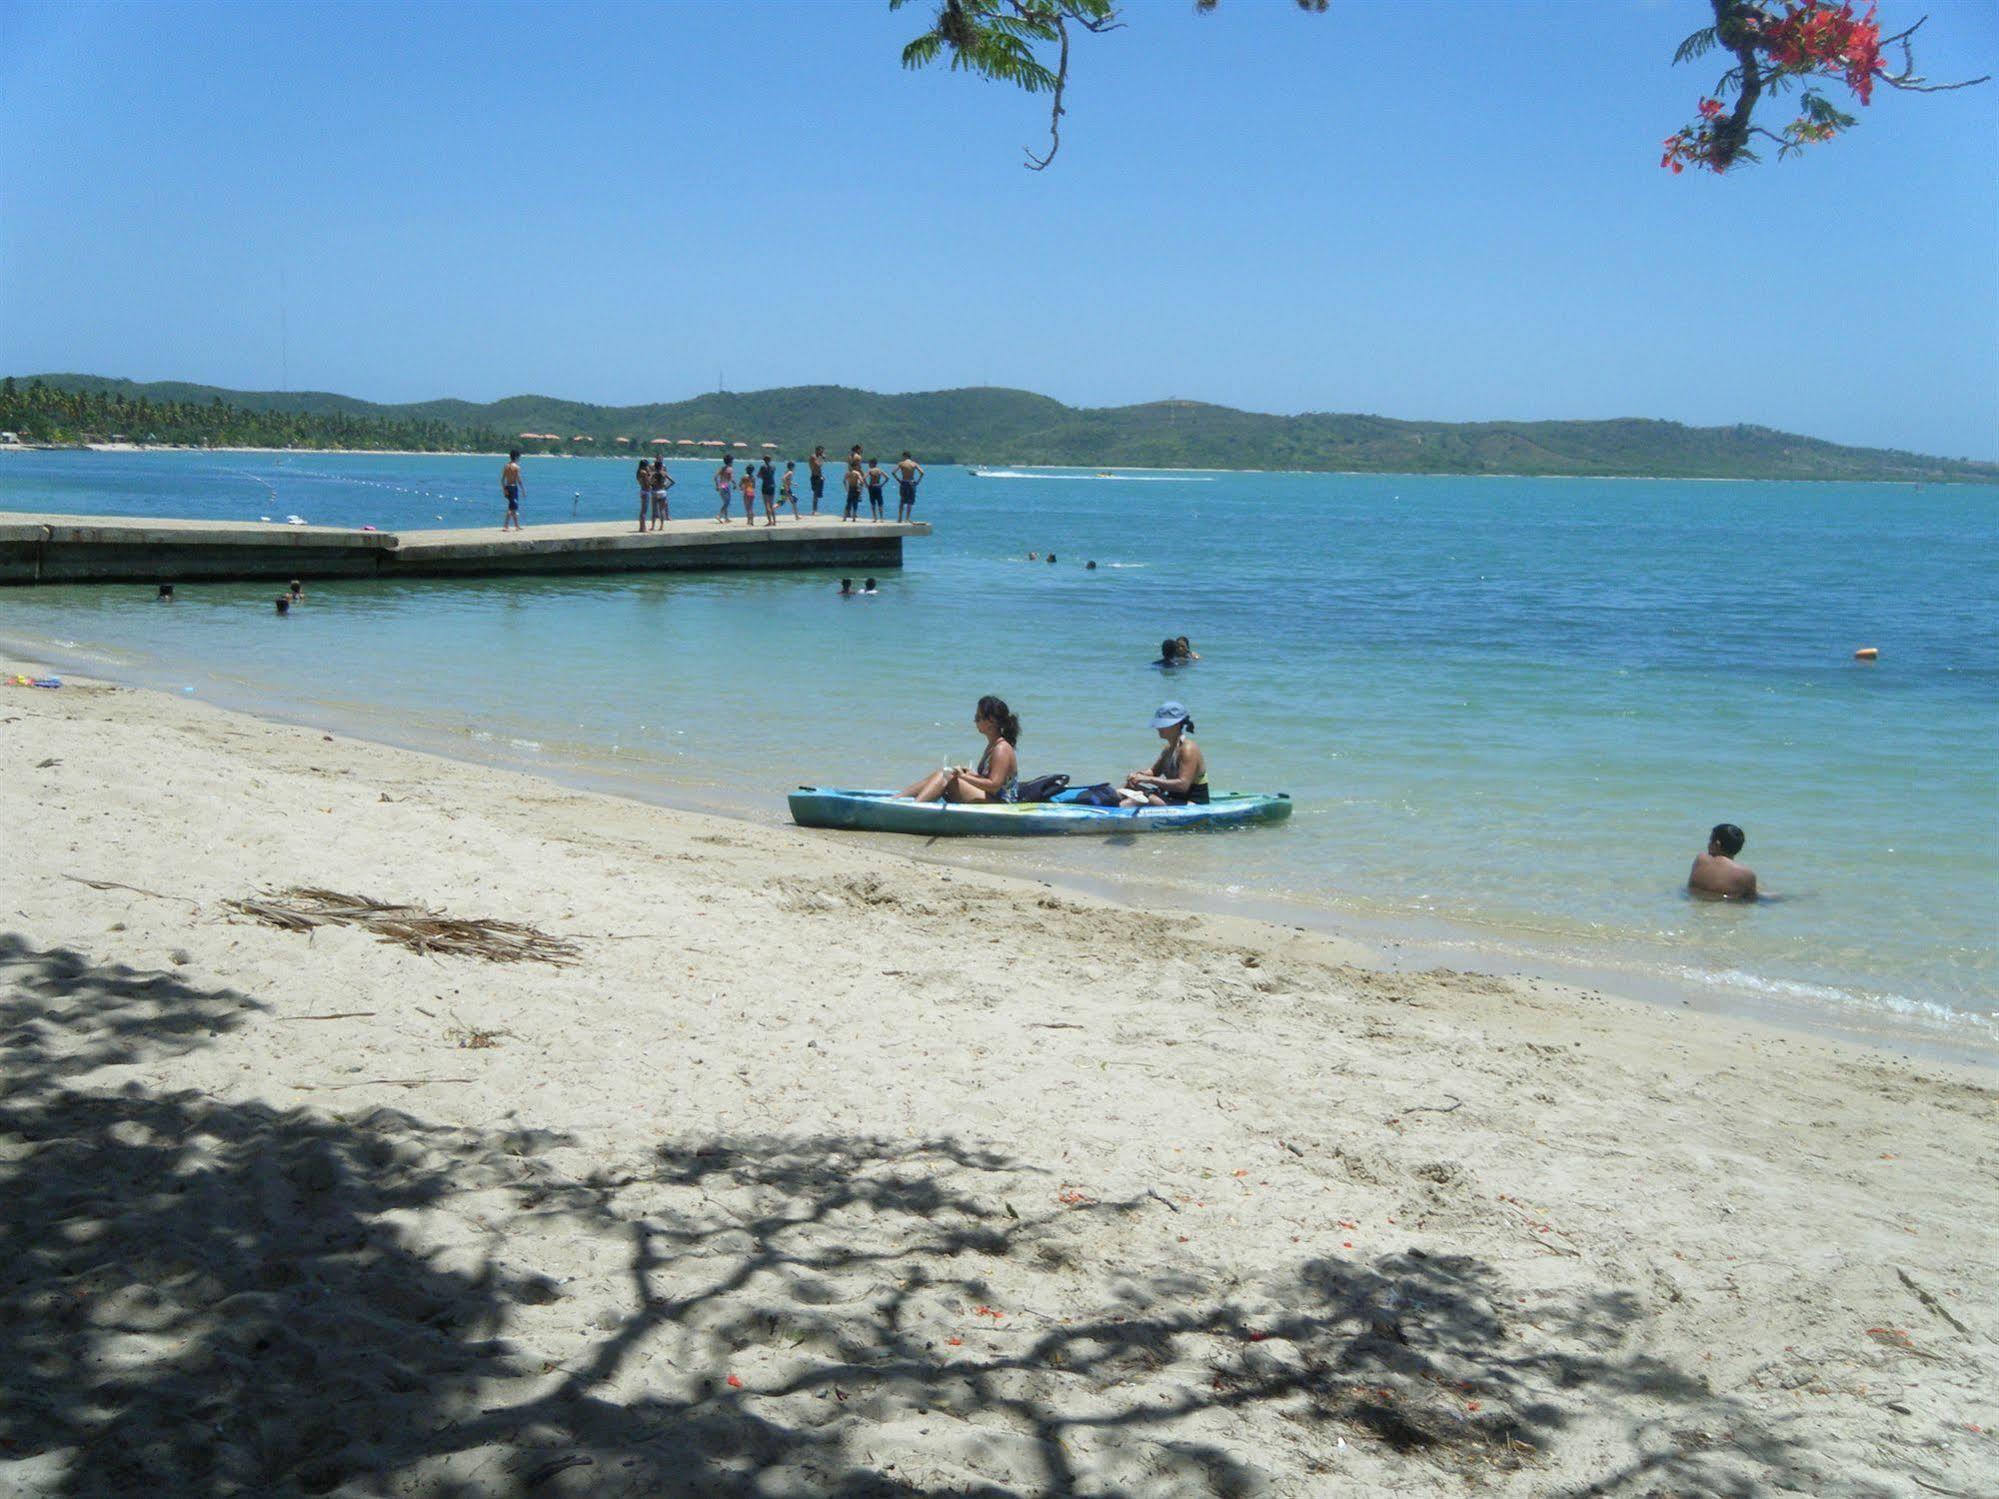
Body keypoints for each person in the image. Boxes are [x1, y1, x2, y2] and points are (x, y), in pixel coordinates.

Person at [901, 695, 1021, 804]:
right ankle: (898, 798)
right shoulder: (993, 745)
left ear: (991, 721)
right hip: (991, 798)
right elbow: (989, 781)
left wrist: (963, 777)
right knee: (944, 772)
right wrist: (970, 774)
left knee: (947, 777)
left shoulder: (1001, 748)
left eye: (978, 717)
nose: (975, 721)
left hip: (1001, 804)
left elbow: (994, 785)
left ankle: (913, 807)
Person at [1120, 701, 1208, 806]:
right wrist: (1137, 776)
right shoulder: (1168, 749)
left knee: (1135, 801)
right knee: (1129, 787)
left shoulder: (1188, 748)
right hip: (1173, 799)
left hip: (1192, 804)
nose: (1158, 727)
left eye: (1163, 724)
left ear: (1176, 724)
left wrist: (1148, 780)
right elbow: (1154, 772)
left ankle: (1114, 813)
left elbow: (1183, 785)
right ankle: (1104, 804)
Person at [1689, 823, 1758, 900]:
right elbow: (1750, 900)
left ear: (1717, 844)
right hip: (1726, 905)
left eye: (1710, 840)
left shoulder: (1700, 859)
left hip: (1696, 901)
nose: (1708, 844)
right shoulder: (1746, 875)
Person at [895, 451, 924, 521]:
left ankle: (900, 518)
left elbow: (893, 472)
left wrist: (898, 480)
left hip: (904, 482)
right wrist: (917, 482)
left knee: (902, 500)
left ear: (905, 456)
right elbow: (922, 472)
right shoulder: (914, 464)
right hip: (911, 482)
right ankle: (907, 518)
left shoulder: (901, 463)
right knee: (910, 502)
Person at [501, 449, 524, 530]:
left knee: (513, 507)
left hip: (507, 487)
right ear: (516, 457)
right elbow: (519, 480)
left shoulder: (506, 466)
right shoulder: (516, 467)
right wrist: (523, 490)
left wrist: (504, 489)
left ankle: (517, 526)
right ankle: (506, 526)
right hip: (513, 488)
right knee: (511, 508)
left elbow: (502, 480)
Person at [865, 457, 887, 522]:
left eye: (869, 463)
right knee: (880, 502)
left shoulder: (870, 470)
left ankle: (875, 518)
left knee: (873, 503)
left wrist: (867, 485)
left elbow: (864, 478)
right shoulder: (879, 470)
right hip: (878, 486)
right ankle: (882, 518)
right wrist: (882, 485)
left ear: (872, 463)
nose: (869, 465)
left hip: (872, 487)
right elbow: (887, 478)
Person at [652, 459, 675, 525]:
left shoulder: (654, 474)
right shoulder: (664, 473)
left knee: (654, 510)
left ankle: (653, 526)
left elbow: (650, 482)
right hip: (662, 491)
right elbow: (672, 481)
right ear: (661, 466)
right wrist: (666, 487)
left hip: (655, 491)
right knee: (662, 509)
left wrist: (651, 486)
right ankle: (661, 527)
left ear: (655, 466)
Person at [714, 457, 736, 522]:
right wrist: (734, 484)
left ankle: (726, 518)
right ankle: (719, 516)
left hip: (721, 486)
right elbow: (731, 478)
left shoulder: (722, 468)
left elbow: (715, 477)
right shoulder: (729, 469)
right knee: (727, 503)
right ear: (730, 462)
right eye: (732, 461)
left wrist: (717, 485)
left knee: (725, 502)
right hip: (726, 486)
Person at [636, 456, 655, 532]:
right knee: (644, 511)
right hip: (646, 491)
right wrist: (651, 479)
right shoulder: (643, 472)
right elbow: (648, 483)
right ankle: (643, 528)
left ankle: (641, 527)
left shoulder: (639, 472)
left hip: (642, 490)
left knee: (643, 511)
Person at [759, 455, 778, 526]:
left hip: (765, 485)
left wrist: (763, 476)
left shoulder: (763, 467)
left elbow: (759, 475)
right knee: (771, 504)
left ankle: (770, 521)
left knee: (766, 504)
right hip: (772, 485)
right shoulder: (773, 467)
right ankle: (775, 521)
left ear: (764, 460)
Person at [808, 445, 826, 514]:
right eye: (821, 451)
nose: (822, 452)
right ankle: (814, 510)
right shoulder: (813, 457)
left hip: (818, 476)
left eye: (823, 451)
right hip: (814, 477)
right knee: (815, 493)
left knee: (818, 494)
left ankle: (815, 510)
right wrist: (822, 458)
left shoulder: (818, 457)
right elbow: (817, 465)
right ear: (817, 450)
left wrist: (821, 476)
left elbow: (819, 468)